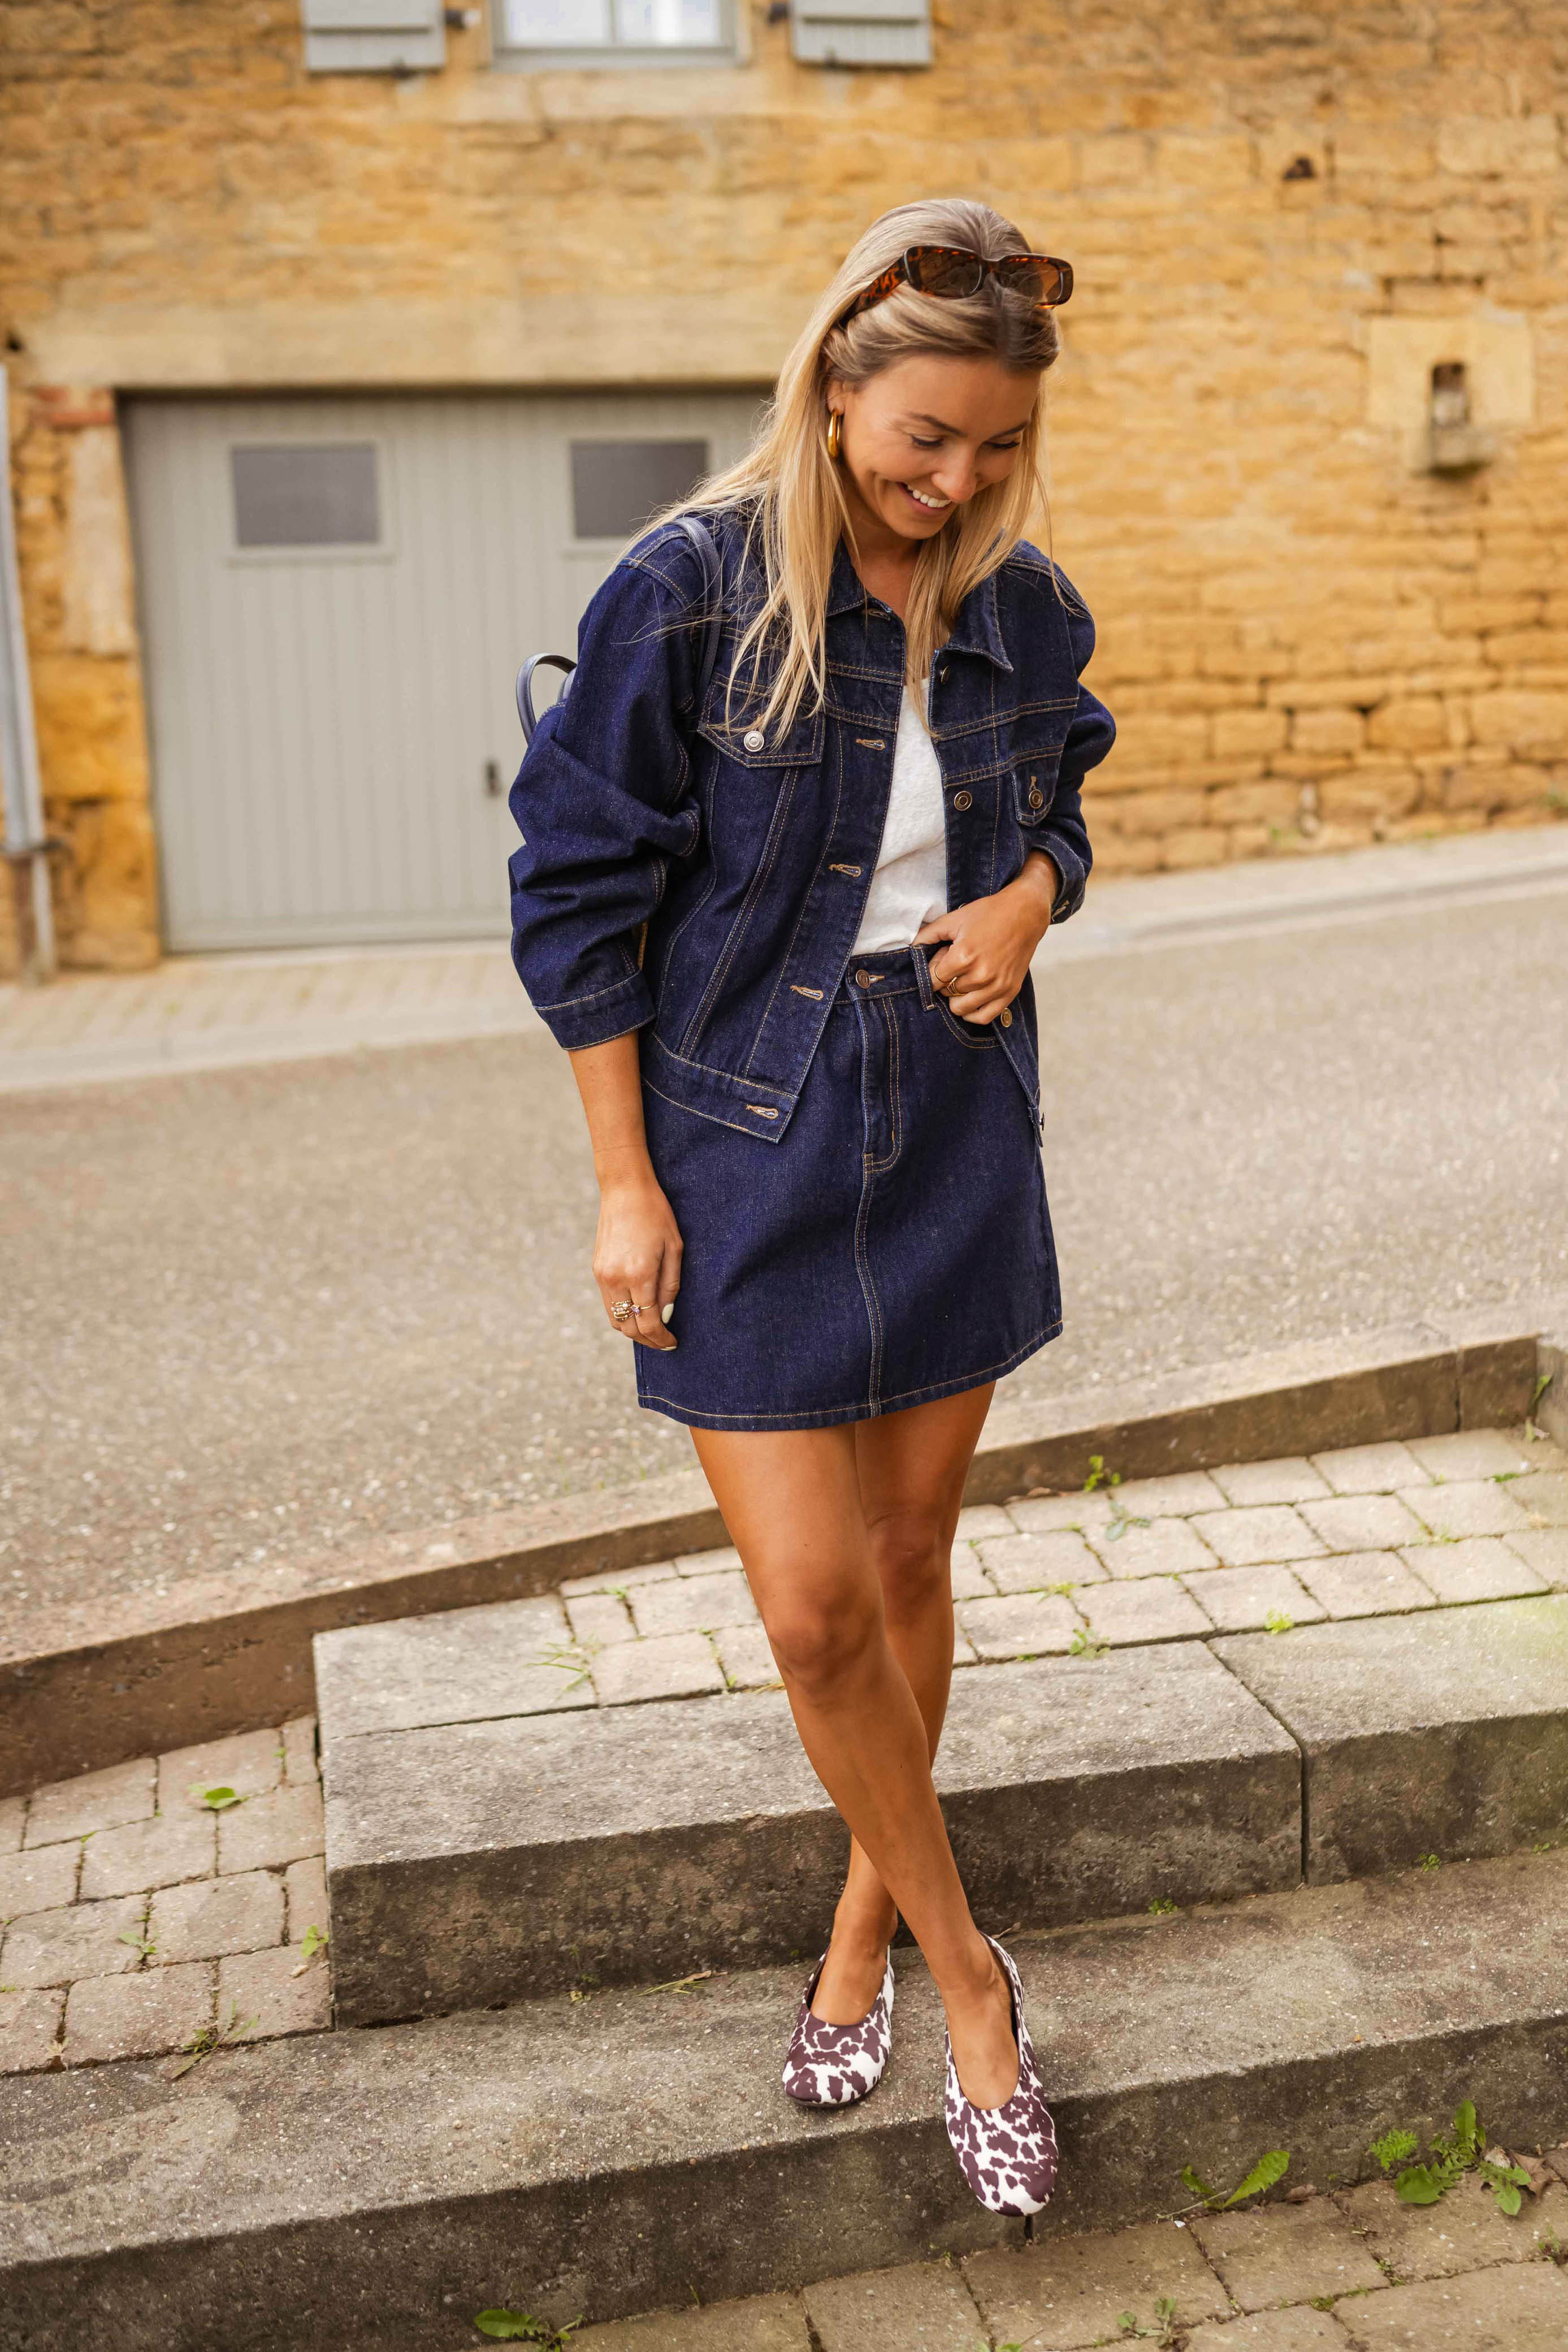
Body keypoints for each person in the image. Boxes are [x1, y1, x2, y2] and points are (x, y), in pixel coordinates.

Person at [508, 195, 1115, 2216]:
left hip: (951, 1110)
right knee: (809, 1604)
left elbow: (1064, 802)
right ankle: (973, 1979)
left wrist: (1030, 899)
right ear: (836, 382)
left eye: (998, 447)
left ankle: (863, 1927)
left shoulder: (1023, 605)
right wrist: (623, 1181)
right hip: (740, 1129)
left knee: (914, 1552)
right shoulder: (687, 593)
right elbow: (573, 891)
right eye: (927, 436)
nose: (957, 481)